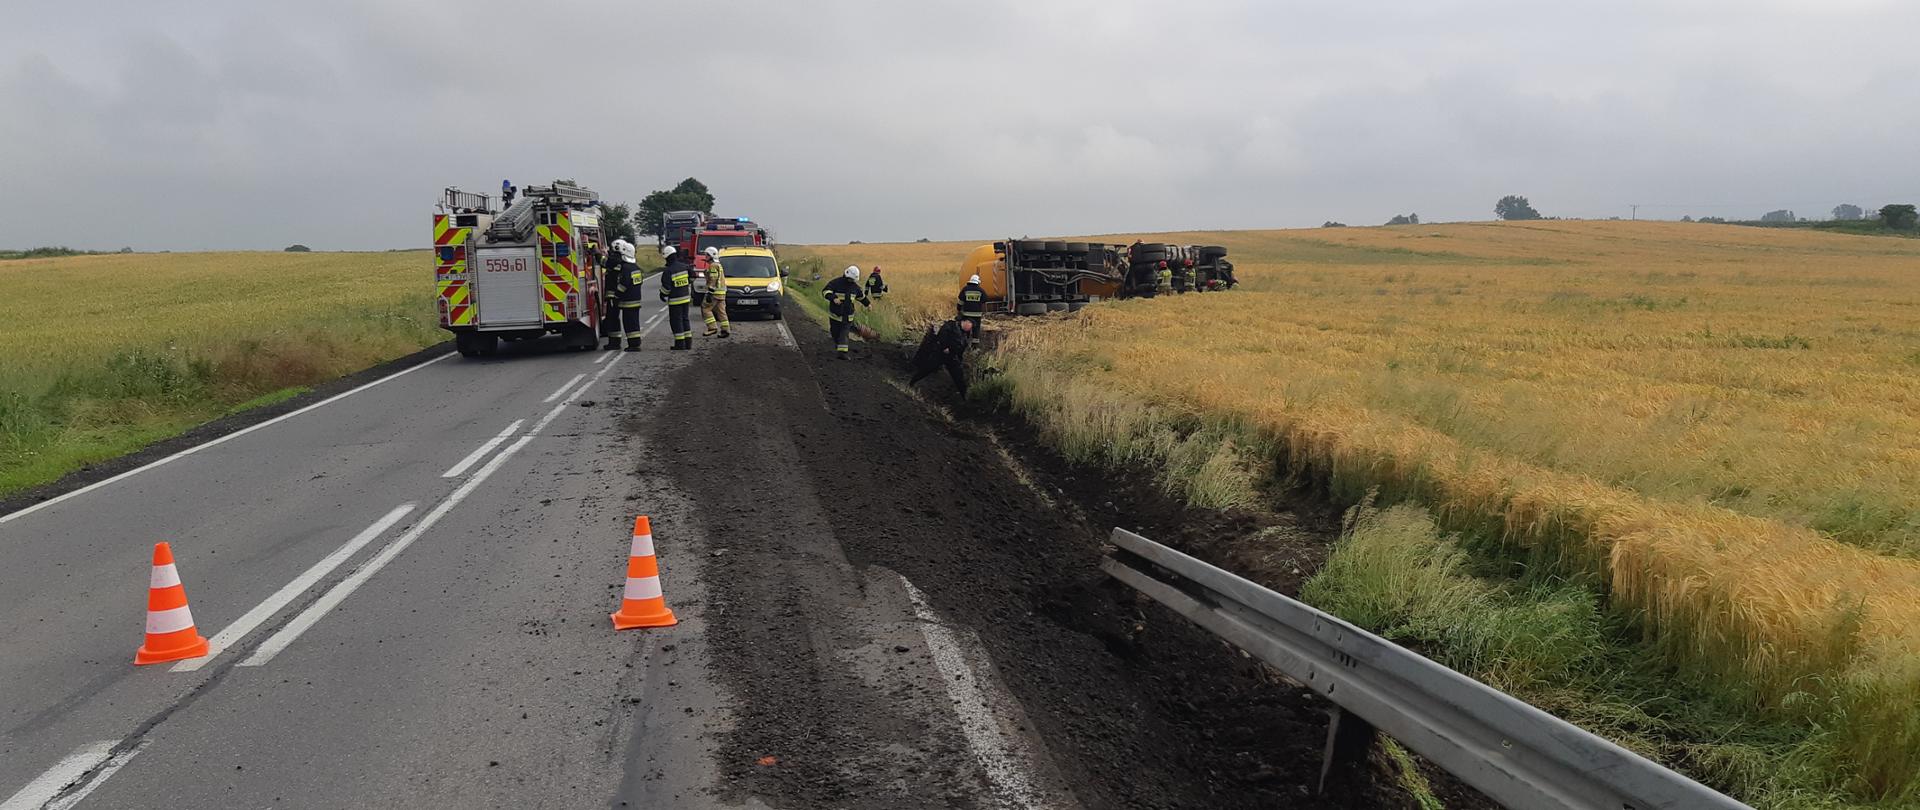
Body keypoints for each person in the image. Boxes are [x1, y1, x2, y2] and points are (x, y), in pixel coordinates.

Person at [910, 317, 972, 396]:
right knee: (927, 369)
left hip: (952, 357)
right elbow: (942, 336)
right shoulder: (950, 325)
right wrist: (945, 347)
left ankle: (965, 395)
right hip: (941, 354)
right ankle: (913, 382)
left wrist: (959, 358)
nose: (970, 327)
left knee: (958, 376)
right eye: (970, 325)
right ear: (965, 322)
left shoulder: (965, 333)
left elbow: (962, 346)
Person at [822, 265, 870, 358]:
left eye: (853, 280)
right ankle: (839, 346)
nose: (851, 282)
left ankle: (842, 353)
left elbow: (861, 297)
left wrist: (868, 304)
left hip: (848, 316)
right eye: (850, 279)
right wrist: (833, 298)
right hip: (835, 315)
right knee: (835, 332)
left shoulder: (855, 288)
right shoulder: (836, 283)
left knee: (844, 333)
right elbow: (825, 291)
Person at [607, 240, 646, 351]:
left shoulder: (626, 269)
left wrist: (616, 295)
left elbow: (623, 284)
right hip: (635, 300)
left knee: (629, 324)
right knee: (633, 323)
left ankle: (634, 345)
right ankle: (634, 343)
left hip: (627, 301)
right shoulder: (636, 268)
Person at [658, 246, 694, 350]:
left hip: (675, 301)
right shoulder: (685, 266)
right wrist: (687, 284)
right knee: (685, 319)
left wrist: (662, 294)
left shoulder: (668, 271)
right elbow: (692, 276)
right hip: (686, 298)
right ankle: (688, 343)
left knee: (676, 321)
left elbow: (666, 288)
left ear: (667, 257)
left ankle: (680, 344)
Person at [600, 238, 627, 350]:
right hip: (618, 294)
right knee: (614, 318)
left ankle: (614, 343)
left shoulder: (615, 259)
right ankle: (615, 342)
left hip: (613, 295)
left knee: (612, 319)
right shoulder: (623, 259)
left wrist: (597, 253)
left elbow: (604, 262)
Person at [701, 246, 730, 338]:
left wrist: (710, 291)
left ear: (711, 256)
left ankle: (712, 328)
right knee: (721, 311)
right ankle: (725, 330)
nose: (705, 257)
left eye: (706, 255)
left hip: (714, 293)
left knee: (705, 309)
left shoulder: (713, 265)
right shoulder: (718, 265)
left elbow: (713, 279)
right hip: (722, 293)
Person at [956, 273, 986, 345]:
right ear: (978, 282)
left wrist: (959, 309)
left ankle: (965, 343)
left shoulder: (965, 289)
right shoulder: (981, 290)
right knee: (976, 330)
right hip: (977, 315)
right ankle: (975, 346)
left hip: (967, 314)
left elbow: (960, 302)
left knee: (966, 329)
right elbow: (985, 300)